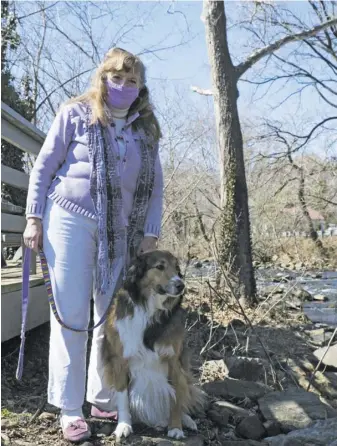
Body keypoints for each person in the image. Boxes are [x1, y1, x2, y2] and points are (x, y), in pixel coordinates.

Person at [23, 47, 163, 443]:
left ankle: (101, 395)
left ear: (140, 87)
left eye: (132, 80)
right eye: (116, 77)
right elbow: (45, 166)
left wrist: (150, 233)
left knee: (111, 317)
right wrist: (33, 217)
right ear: (103, 78)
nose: (123, 85)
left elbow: (155, 188)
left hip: (121, 232)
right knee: (71, 314)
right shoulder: (75, 113)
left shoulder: (146, 130)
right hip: (69, 219)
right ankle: (69, 408)